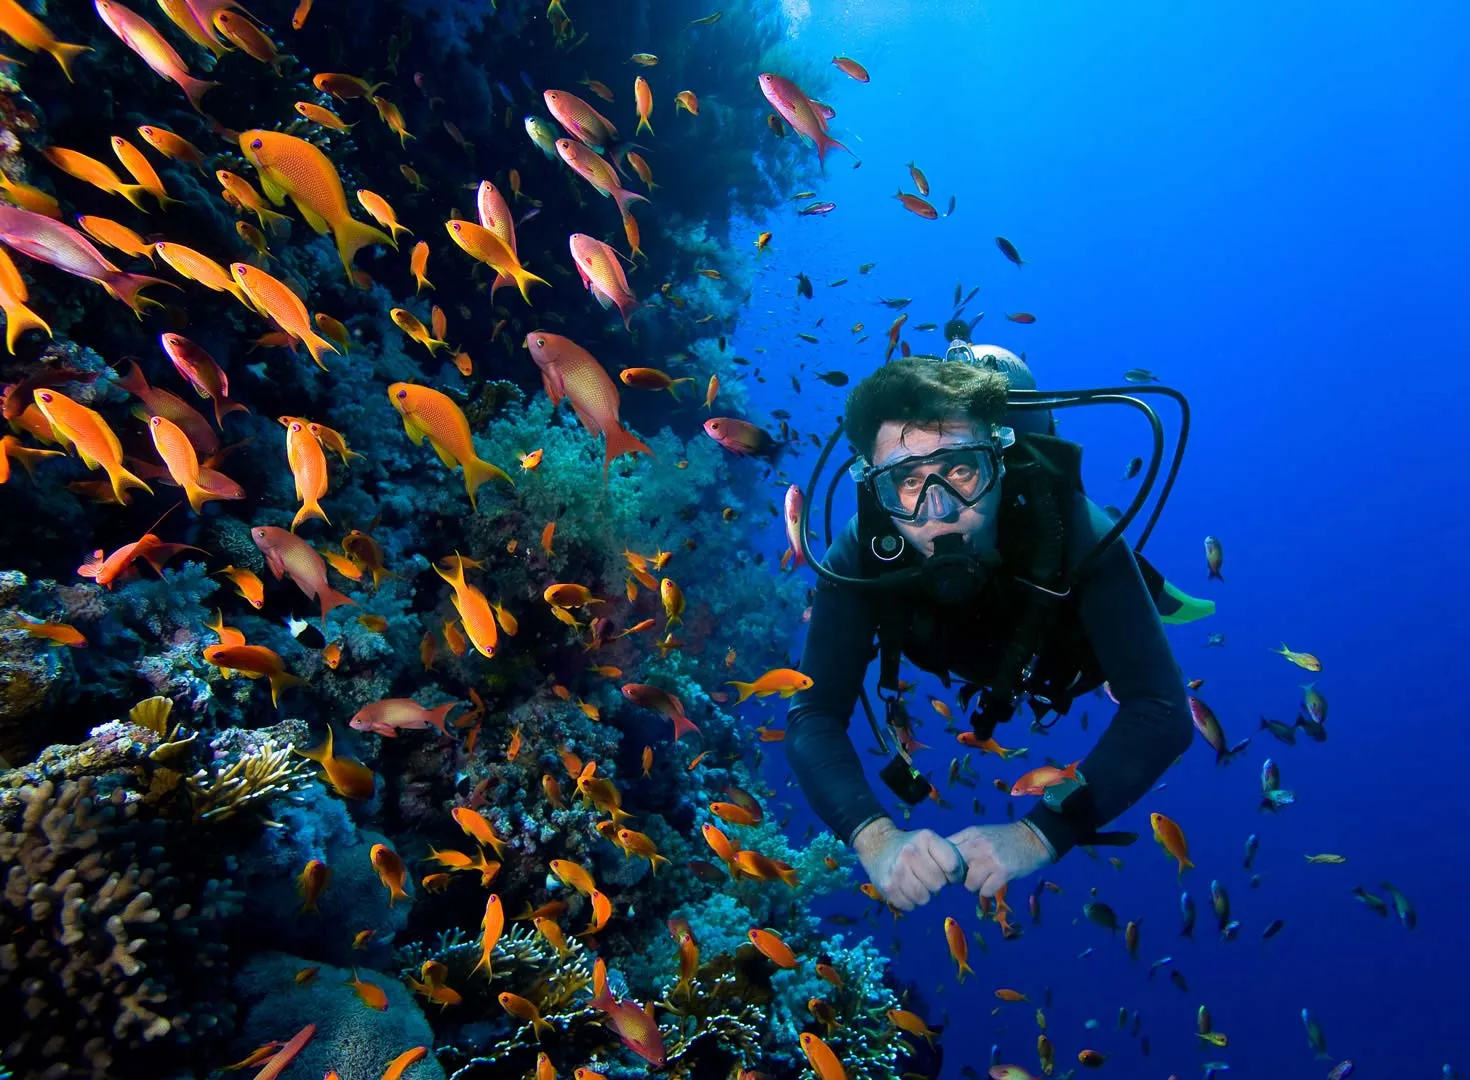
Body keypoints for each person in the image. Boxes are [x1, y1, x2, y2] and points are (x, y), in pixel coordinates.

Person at [785, 350, 1198, 911]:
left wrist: (1039, 833)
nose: (940, 510)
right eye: (907, 482)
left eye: (960, 470)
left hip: (1066, 655)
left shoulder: (1071, 527)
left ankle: (1155, 594)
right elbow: (813, 714)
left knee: (1134, 617)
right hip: (975, 653)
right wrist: (875, 838)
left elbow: (1162, 709)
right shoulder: (861, 552)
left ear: (998, 464)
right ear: (878, 488)